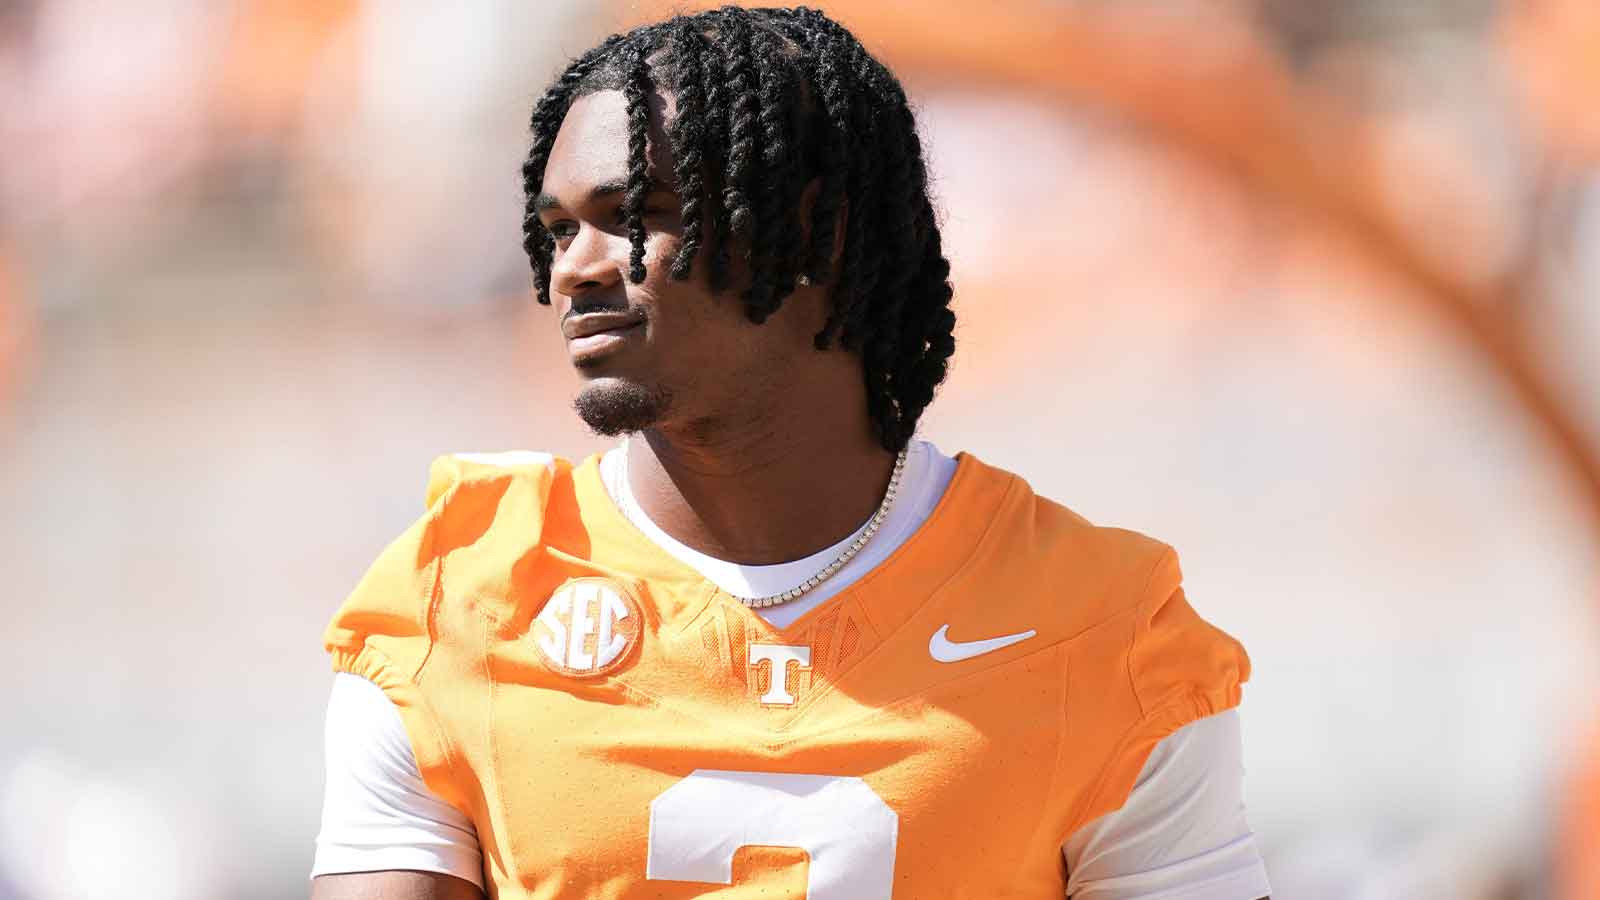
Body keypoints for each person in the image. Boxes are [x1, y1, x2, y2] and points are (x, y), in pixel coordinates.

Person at [309, 7, 1269, 898]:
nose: (576, 266)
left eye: (636, 213)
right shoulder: (458, 597)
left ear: (817, 231)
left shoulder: (1102, 627)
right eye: (559, 227)